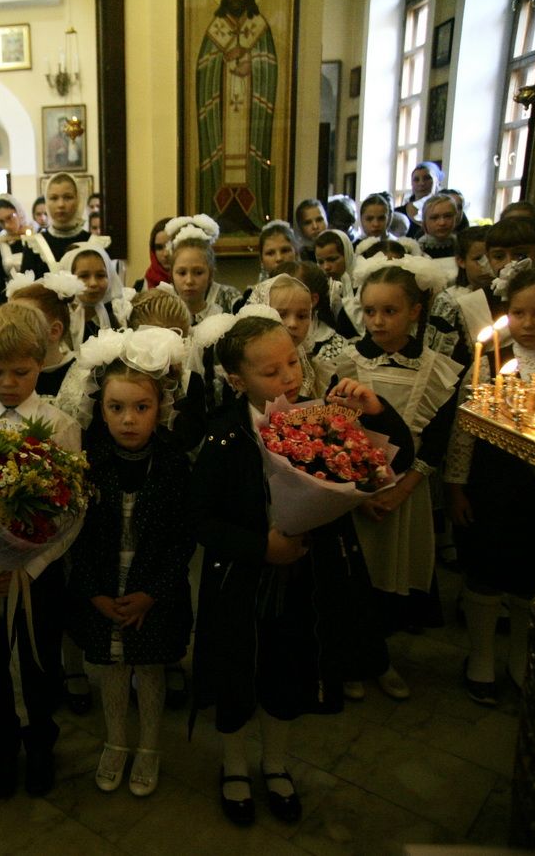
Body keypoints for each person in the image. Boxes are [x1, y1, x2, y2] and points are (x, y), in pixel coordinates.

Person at [190, 314, 412, 827]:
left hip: (303, 579)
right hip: (239, 580)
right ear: (237, 380)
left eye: (292, 361)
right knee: (237, 672)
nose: (289, 376)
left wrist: (376, 411)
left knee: (288, 668)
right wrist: (259, 547)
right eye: (271, 372)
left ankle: (276, 763)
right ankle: (234, 765)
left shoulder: (322, 415)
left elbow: (391, 462)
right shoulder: (223, 437)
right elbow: (200, 519)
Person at [0, 303, 82, 799]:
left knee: (39, 660)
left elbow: (72, 508)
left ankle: (41, 745)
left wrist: (32, 564)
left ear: (41, 363)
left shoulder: (61, 425)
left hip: (37, 576)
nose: (8, 383)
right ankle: (3, 746)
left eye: (21, 372)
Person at [66, 334, 196, 798]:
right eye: (116, 407)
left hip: (152, 589)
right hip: (105, 584)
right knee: (113, 670)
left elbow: (183, 539)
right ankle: (116, 741)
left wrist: (152, 593)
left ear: (160, 408)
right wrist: (94, 593)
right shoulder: (89, 463)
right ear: (101, 410)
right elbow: (76, 537)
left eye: (141, 407)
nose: (128, 419)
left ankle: (149, 746)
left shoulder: (174, 465)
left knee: (152, 667)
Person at [446, 267, 535, 706]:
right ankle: (481, 657)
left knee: (531, 578)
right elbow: (464, 429)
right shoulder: (491, 361)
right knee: (486, 570)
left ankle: (521, 658)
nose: (528, 323)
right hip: (493, 484)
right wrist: (456, 486)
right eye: (519, 313)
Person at [336, 266, 463, 642]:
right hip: (356, 489)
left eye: (389, 311)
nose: (377, 321)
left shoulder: (436, 369)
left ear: (415, 312)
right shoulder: (345, 363)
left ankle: (390, 641)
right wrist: (361, 496)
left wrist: (402, 490)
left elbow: (437, 441)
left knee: (399, 564)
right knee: (358, 572)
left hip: (409, 488)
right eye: (369, 311)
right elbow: (336, 432)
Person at [195, 0, 277, 234]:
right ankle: (219, 215)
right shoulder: (216, 28)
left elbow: (271, 64)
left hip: (250, 123)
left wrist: (252, 64)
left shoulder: (259, 26)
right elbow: (203, 68)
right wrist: (222, 61)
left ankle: (251, 216)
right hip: (223, 119)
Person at [7, 272, 83, 397]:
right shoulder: (6, 372)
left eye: (23, 321)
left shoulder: (82, 376)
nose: (10, 330)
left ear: (54, 331)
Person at [20, 173, 91, 278]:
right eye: (54, 198)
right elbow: (25, 287)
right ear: (46, 201)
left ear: (78, 199)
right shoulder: (34, 245)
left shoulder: (93, 242)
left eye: (68, 197)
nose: (61, 204)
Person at [63, 241, 125, 345]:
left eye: (101, 275)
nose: (93, 283)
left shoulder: (118, 315)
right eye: (84, 276)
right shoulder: (59, 322)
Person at [315, 229, 360, 337]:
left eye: (332, 259)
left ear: (347, 254)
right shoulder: (323, 287)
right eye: (320, 262)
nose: (326, 267)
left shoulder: (362, 284)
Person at [0, 195, 32, 304]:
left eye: (10, 217)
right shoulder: (0, 244)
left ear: (19, 213)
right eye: (1, 221)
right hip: (11, 301)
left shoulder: (35, 236)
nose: (7, 225)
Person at [395, 161, 443, 237]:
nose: (421, 183)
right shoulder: (398, 213)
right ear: (411, 184)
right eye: (416, 180)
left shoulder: (447, 212)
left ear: (437, 182)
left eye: (427, 178)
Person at [418, 193, 460, 259]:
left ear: (456, 218)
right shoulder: (417, 248)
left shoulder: (461, 245)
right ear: (424, 222)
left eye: (448, 216)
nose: (442, 223)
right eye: (434, 218)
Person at [144, 217, 175, 289]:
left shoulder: (192, 283)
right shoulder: (140, 286)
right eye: (159, 248)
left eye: (170, 247)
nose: (166, 254)